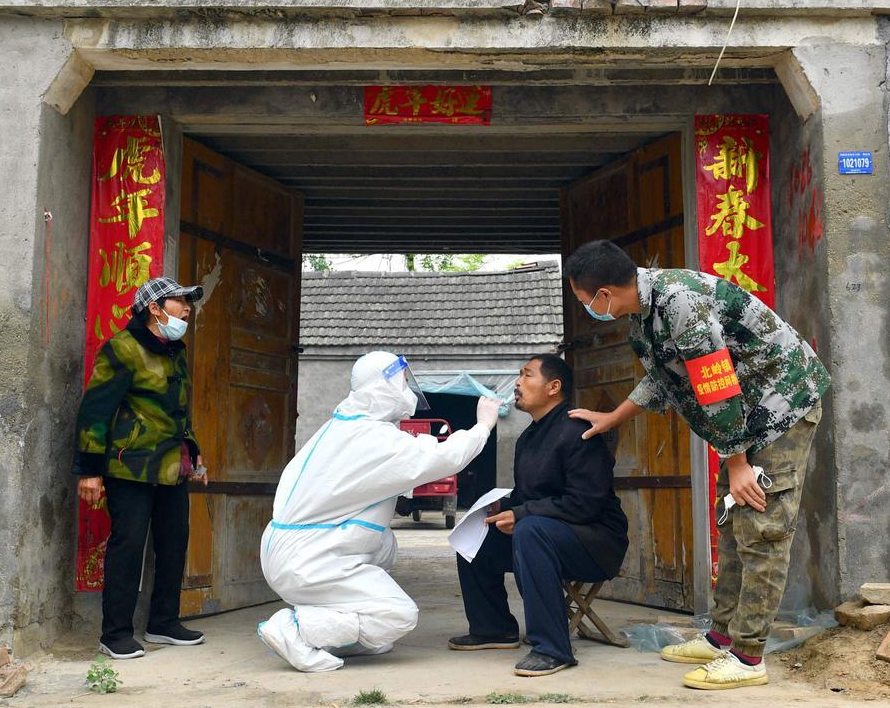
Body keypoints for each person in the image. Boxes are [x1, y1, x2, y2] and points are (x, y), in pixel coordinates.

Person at [562, 240, 830, 690]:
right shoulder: (647, 314)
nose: (587, 308)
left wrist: (738, 462)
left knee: (762, 528)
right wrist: (613, 417)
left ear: (604, 294)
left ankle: (747, 658)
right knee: (733, 523)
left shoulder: (680, 302)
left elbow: (718, 385)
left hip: (781, 404)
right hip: (745, 418)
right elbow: (666, 376)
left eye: (585, 300)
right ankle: (721, 635)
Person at [258, 351, 502, 673]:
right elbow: (444, 457)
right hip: (309, 560)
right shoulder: (373, 439)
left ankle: (341, 630)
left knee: (384, 546)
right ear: (383, 387)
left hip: (297, 550)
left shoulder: (345, 426)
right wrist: (483, 427)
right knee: (398, 615)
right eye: (401, 382)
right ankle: (296, 628)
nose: (407, 391)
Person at [450, 354, 627, 677]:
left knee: (529, 530)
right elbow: (528, 497)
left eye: (527, 375)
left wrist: (522, 514)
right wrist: (503, 509)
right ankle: (494, 628)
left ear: (553, 387)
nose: (517, 383)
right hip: (546, 533)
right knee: (474, 536)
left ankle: (553, 648)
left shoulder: (579, 432)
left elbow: (586, 503)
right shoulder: (529, 437)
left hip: (596, 541)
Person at [73, 276, 209, 660]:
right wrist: (90, 470)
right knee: (128, 546)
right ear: (155, 308)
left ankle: (163, 623)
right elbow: (95, 411)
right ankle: (114, 633)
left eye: (187, 303)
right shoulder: (123, 348)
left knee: (173, 543)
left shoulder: (175, 351)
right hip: (129, 467)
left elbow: (179, 410)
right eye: (180, 302)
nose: (187, 309)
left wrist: (194, 455)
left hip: (172, 468)